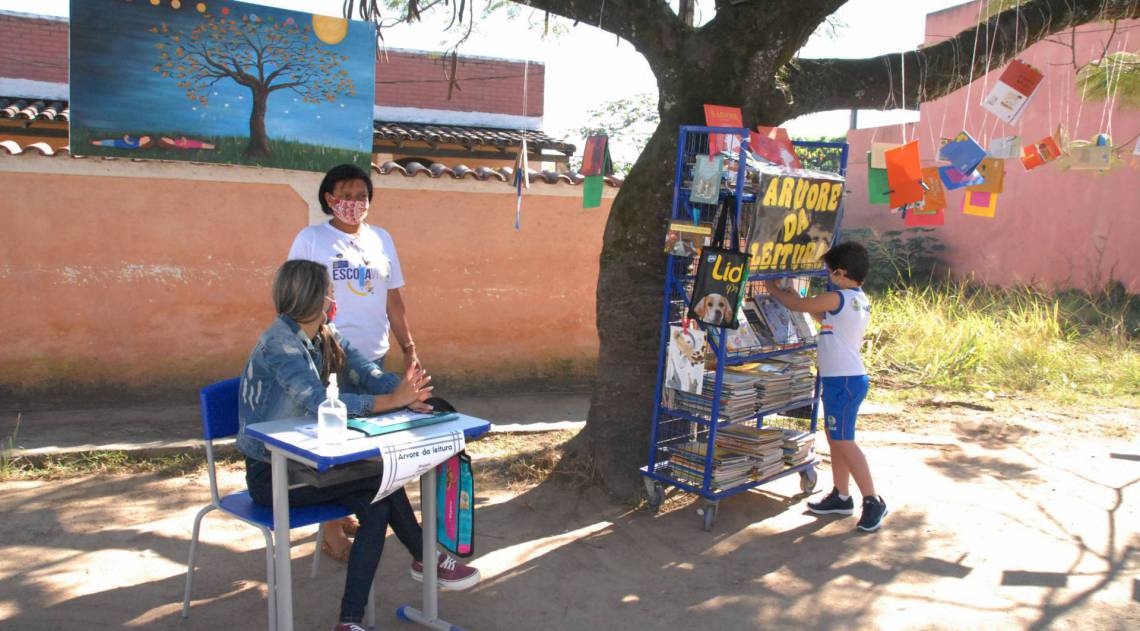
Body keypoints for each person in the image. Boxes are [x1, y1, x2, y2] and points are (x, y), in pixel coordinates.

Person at [235, 260, 479, 631]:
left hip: (312, 465)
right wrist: (393, 401)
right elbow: (320, 403)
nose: (333, 297)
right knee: (382, 484)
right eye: (328, 290)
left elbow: (368, 373)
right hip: (274, 474)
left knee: (379, 503)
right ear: (313, 297)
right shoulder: (279, 344)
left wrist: (405, 393)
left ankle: (350, 621)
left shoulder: (325, 333)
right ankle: (425, 558)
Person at [288, 163, 423, 559]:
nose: (354, 203)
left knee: (367, 440)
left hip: (374, 354)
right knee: (334, 441)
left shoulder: (381, 239)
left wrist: (409, 346)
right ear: (329, 198)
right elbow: (299, 296)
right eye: (345, 195)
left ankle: (345, 508)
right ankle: (330, 531)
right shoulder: (312, 239)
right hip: (330, 356)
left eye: (362, 196)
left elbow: (393, 298)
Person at [763, 242, 887, 532]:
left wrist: (772, 288)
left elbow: (799, 306)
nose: (828, 277)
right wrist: (795, 295)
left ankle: (873, 500)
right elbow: (820, 315)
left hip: (842, 380)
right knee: (836, 438)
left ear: (841, 273)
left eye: (830, 272)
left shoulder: (837, 297)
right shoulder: (856, 298)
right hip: (844, 379)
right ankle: (841, 496)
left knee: (843, 441)